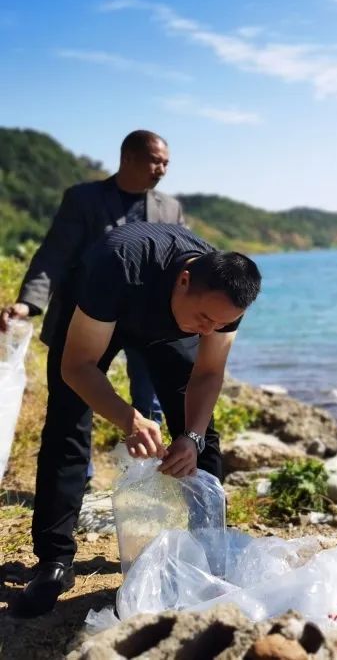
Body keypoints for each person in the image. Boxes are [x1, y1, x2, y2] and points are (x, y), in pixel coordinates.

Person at [7, 222, 261, 618]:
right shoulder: (119, 265)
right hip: (99, 306)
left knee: (200, 434)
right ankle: (53, 561)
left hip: (166, 326)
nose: (210, 330)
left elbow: (208, 374)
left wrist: (191, 438)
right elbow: (78, 367)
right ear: (184, 279)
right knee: (67, 425)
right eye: (205, 319)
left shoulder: (221, 298)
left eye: (221, 325)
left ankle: (210, 556)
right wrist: (129, 418)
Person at [0, 130, 183, 423]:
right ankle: (81, 469)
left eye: (166, 164)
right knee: (76, 402)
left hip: (146, 323)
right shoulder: (84, 199)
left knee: (150, 403)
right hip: (89, 319)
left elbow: (179, 265)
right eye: (155, 162)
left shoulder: (170, 208)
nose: (162, 170)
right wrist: (28, 304)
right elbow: (53, 256)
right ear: (128, 158)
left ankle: (148, 466)